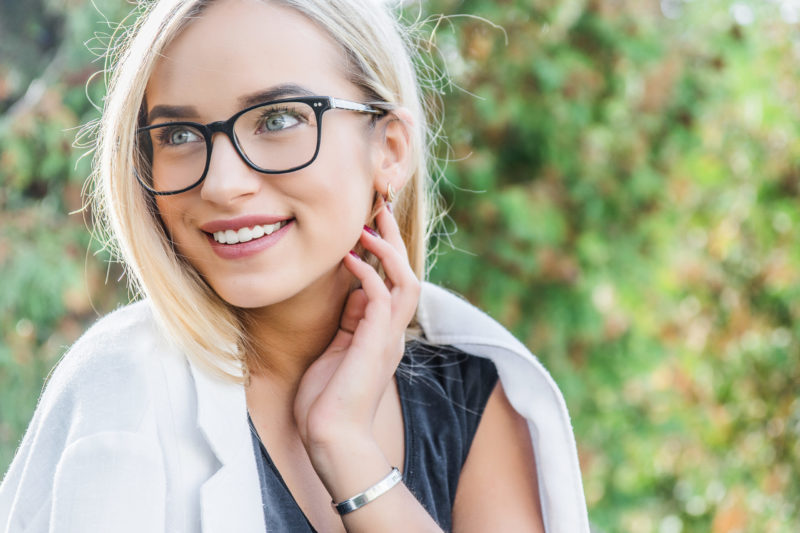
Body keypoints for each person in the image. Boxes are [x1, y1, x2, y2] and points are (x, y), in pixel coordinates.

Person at [0, 0, 589, 531]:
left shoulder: (473, 398)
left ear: (388, 150)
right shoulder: (122, 392)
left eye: (278, 119)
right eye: (179, 133)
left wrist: (347, 453)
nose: (224, 185)